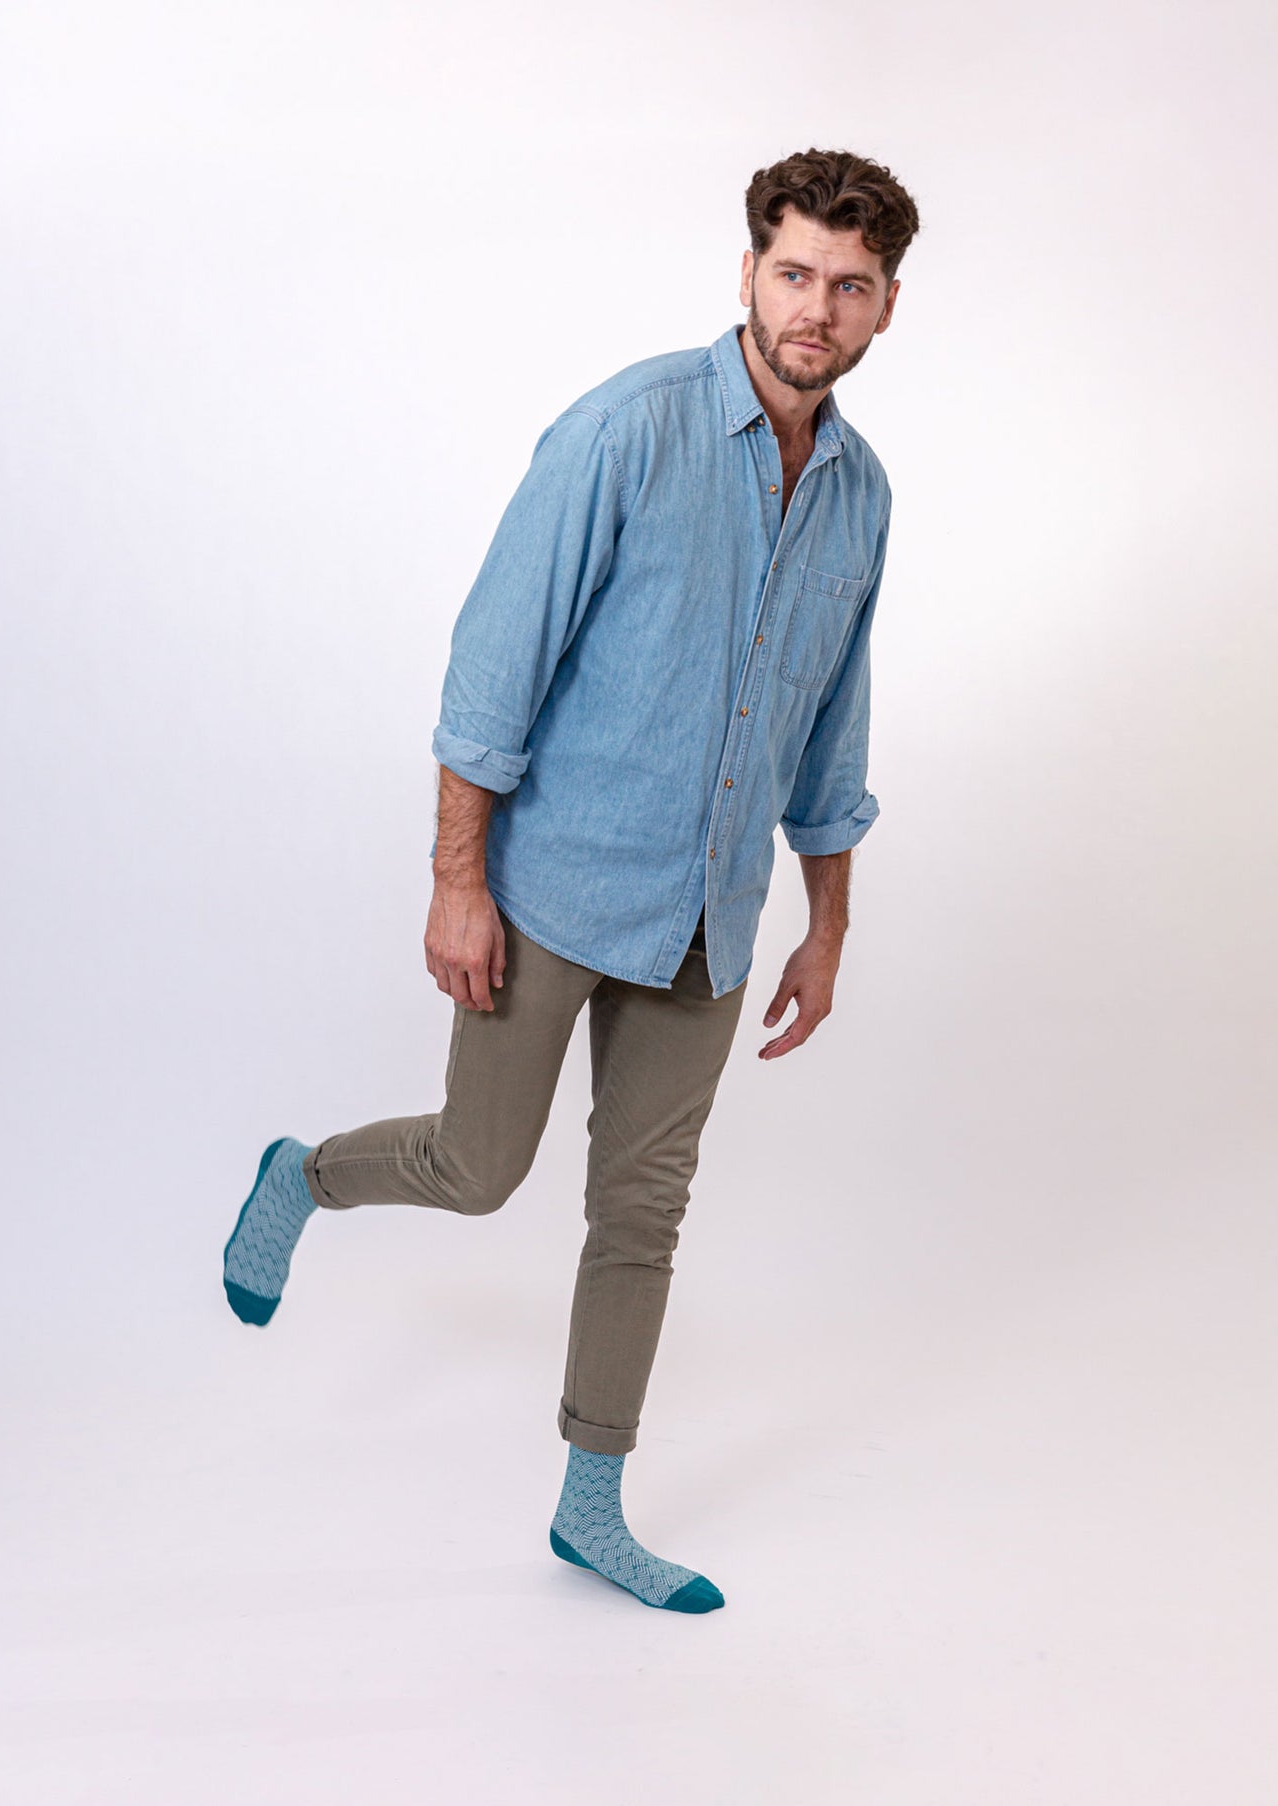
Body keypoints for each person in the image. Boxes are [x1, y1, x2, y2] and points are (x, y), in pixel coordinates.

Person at [222, 146, 919, 1613]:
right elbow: (493, 669)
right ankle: (300, 1176)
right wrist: (455, 880)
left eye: (848, 286)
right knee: (479, 1171)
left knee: (641, 1212)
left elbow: (832, 726)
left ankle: (591, 1508)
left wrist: (827, 925)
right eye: (794, 272)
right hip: (553, 887)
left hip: (711, 916)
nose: (816, 308)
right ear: (747, 274)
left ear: (885, 307)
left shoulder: (861, 497)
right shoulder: (626, 431)